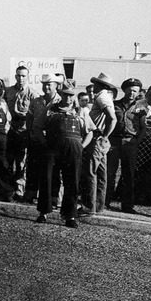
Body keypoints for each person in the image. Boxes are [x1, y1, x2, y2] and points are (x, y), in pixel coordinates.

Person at [36, 81, 95, 228]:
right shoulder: (51, 109)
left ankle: (70, 216)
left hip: (73, 151)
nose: (68, 98)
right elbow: (37, 127)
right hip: (52, 149)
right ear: (60, 94)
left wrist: (82, 146)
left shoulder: (81, 111)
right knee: (47, 178)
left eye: (71, 95)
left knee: (72, 182)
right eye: (65, 95)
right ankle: (43, 212)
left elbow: (90, 132)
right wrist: (44, 143)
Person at [79, 72, 118, 216]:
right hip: (101, 138)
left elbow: (112, 118)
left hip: (97, 137)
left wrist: (104, 135)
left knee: (90, 172)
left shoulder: (101, 97)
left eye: (95, 84)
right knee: (101, 173)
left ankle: (88, 206)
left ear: (100, 85)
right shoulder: (106, 96)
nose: (93, 87)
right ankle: (98, 205)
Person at [107, 78, 146, 214]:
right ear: (124, 90)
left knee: (128, 174)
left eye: (135, 91)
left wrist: (136, 141)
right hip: (114, 142)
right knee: (109, 172)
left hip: (130, 143)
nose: (132, 93)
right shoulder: (114, 104)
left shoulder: (141, 108)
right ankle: (105, 201)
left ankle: (127, 205)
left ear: (138, 92)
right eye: (129, 90)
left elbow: (143, 128)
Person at [24, 73, 63, 205]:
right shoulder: (36, 101)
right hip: (36, 138)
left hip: (53, 141)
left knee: (54, 170)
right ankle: (31, 193)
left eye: (49, 85)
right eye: (44, 84)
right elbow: (29, 118)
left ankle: (53, 197)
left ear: (56, 86)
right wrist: (30, 133)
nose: (46, 87)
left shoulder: (61, 101)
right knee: (33, 167)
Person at [4, 65, 36, 198]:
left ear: (27, 77)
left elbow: (34, 114)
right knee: (8, 160)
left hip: (24, 131)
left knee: (21, 162)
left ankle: (19, 189)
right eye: (18, 75)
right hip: (10, 130)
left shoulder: (32, 94)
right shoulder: (9, 91)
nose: (21, 78)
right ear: (15, 76)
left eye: (23, 75)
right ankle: (7, 188)